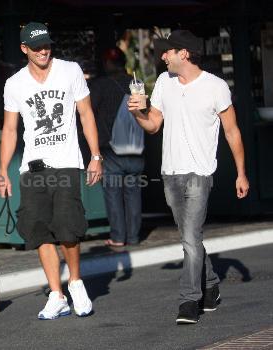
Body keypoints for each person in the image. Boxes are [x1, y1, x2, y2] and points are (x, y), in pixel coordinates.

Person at [128, 30, 249, 324]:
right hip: (170, 172)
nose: (163, 56)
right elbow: (154, 124)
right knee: (190, 238)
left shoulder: (215, 87)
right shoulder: (163, 85)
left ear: (184, 53)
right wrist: (137, 113)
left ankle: (189, 301)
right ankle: (211, 287)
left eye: (167, 51)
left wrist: (241, 173)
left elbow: (232, 131)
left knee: (190, 238)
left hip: (199, 172)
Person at [0, 22, 102, 320]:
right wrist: (3, 169)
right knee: (39, 228)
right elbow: (10, 129)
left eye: (47, 45)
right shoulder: (14, 83)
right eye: (37, 46)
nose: (44, 51)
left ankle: (76, 283)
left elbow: (86, 114)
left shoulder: (70, 71)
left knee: (68, 226)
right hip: (32, 167)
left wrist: (96, 156)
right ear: (24, 49)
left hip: (67, 162)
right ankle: (57, 295)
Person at [90, 47, 144, 247]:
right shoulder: (136, 83)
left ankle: (119, 236)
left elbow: (88, 112)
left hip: (111, 149)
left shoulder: (101, 85)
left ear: (108, 64)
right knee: (133, 194)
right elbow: (143, 110)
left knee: (113, 193)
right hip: (136, 147)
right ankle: (134, 236)